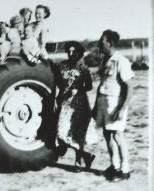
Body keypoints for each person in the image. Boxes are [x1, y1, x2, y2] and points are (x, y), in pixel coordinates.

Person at [93, 30, 134, 181]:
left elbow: (129, 87)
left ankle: (125, 170)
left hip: (115, 103)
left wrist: (122, 108)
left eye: (102, 40)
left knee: (117, 135)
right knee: (107, 134)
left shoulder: (121, 61)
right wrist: (95, 107)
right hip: (104, 102)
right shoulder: (105, 60)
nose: (99, 42)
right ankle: (114, 166)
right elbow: (102, 84)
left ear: (110, 43)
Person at [55, 41, 95, 172]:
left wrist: (78, 89)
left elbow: (89, 86)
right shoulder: (62, 66)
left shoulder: (83, 68)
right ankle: (86, 156)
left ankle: (78, 162)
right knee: (61, 132)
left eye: (74, 51)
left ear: (79, 53)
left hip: (80, 103)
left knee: (78, 133)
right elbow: (57, 83)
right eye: (69, 51)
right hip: (65, 103)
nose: (71, 54)